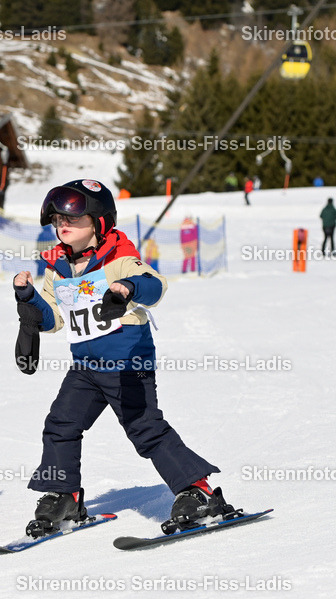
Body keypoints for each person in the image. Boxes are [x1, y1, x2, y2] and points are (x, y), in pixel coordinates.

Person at [12, 179, 234, 538]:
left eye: (75, 219)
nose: (63, 226)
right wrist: (29, 298)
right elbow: (52, 320)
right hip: (86, 367)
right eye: (58, 221)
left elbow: (155, 285)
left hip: (127, 361)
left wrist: (128, 288)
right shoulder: (57, 268)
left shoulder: (119, 259)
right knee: (60, 425)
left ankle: (200, 492)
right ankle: (64, 496)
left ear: (99, 223)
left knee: (145, 429)